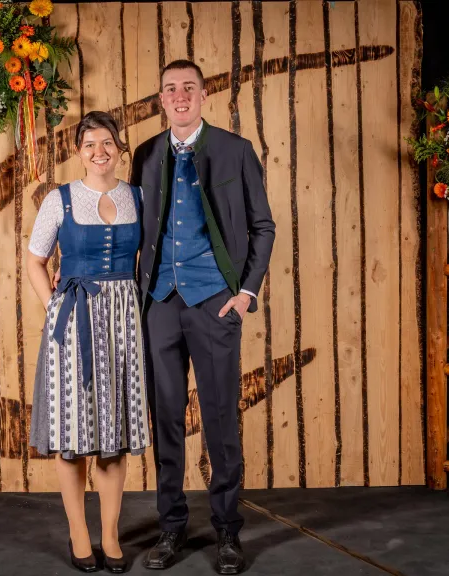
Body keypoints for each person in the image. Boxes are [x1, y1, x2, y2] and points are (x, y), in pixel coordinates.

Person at [130, 59, 275, 574]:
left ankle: (227, 532)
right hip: (160, 305)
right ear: (161, 99)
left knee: (219, 420)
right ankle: (170, 528)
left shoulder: (236, 151)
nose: (180, 96)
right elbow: (135, 230)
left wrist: (246, 292)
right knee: (165, 419)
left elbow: (264, 226)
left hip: (216, 301)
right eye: (170, 89)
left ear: (205, 94)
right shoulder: (146, 155)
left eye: (188, 87)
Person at [27, 110, 150, 574]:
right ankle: (80, 533)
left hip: (123, 320)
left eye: (107, 143)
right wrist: (54, 306)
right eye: (89, 145)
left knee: (112, 436)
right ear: (78, 153)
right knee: (73, 437)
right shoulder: (59, 200)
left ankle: (111, 535)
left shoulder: (137, 196)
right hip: (74, 321)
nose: (99, 152)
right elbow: (35, 260)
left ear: (120, 147)